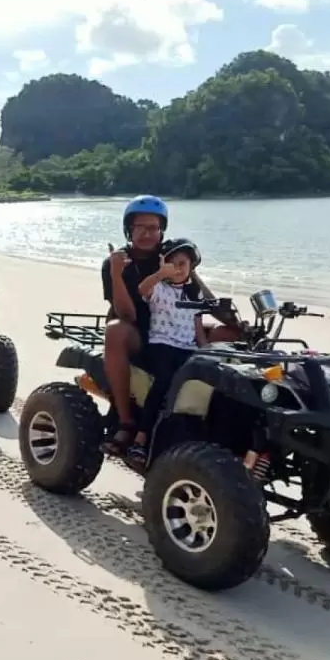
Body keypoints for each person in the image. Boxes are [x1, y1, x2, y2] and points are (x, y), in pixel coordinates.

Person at [124, 238, 207, 472]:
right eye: (174, 263)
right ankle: (140, 440)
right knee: (165, 381)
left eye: (184, 263)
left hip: (187, 348)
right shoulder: (158, 288)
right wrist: (160, 274)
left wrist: (209, 352)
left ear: (192, 266)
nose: (180, 268)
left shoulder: (194, 294)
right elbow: (141, 290)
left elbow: (198, 329)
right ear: (164, 264)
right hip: (161, 344)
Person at [100, 195, 170, 455]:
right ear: (129, 230)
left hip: (168, 328)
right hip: (137, 332)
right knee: (116, 330)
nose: (147, 234)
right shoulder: (116, 262)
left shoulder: (170, 257)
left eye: (153, 228)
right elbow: (127, 314)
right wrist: (116, 274)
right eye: (140, 228)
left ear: (162, 230)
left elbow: (196, 298)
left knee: (225, 335)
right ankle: (126, 420)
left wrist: (232, 320)